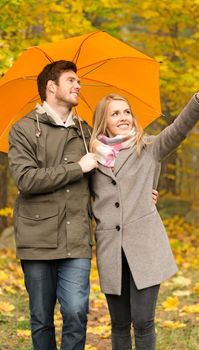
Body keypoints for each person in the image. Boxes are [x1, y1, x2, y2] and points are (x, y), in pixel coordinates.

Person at [90, 64, 199, 350]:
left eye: (127, 112)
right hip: (111, 250)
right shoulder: (91, 160)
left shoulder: (149, 147)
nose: (124, 117)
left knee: (143, 321)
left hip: (144, 247)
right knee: (119, 324)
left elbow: (178, 130)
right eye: (115, 113)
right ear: (104, 121)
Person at [8, 60, 98, 350]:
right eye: (71, 80)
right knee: (41, 317)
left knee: (76, 312)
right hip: (37, 238)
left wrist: (140, 193)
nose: (78, 86)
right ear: (51, 86)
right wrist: (77, 168)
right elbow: (26, 180)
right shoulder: (22, 130)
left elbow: (103, 180)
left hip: (77, 238)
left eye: (78, 81)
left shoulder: (86, 131)